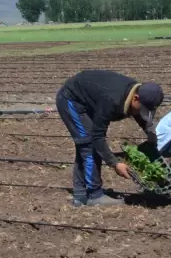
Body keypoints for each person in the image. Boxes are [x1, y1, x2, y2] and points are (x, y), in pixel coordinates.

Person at [55, 70, 164, 206]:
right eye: (142, 109)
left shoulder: (138, 93)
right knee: (88, 144)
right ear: (135, 98)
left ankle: (80, 195)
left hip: (89, 99)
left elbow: (140, 114)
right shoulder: (112, 99)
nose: (141, 113)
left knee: (85, 145)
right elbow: (98, 136)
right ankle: (94, 195)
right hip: (70, 101)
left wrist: (150, 134)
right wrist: (114, 163)